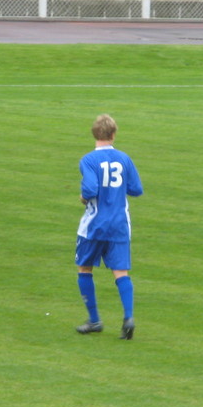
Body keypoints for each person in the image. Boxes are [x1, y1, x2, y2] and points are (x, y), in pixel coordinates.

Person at [74, 114, 143, 339]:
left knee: (84, 267)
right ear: (113, 135)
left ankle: (94, 320)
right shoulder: (124, 158)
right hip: (120, 224)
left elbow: (90, 189)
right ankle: (128, 317)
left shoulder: (88, 160)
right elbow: (136, 189)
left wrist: (84, 198)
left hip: (94, 225)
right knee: (120, 272)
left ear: (95, 134)